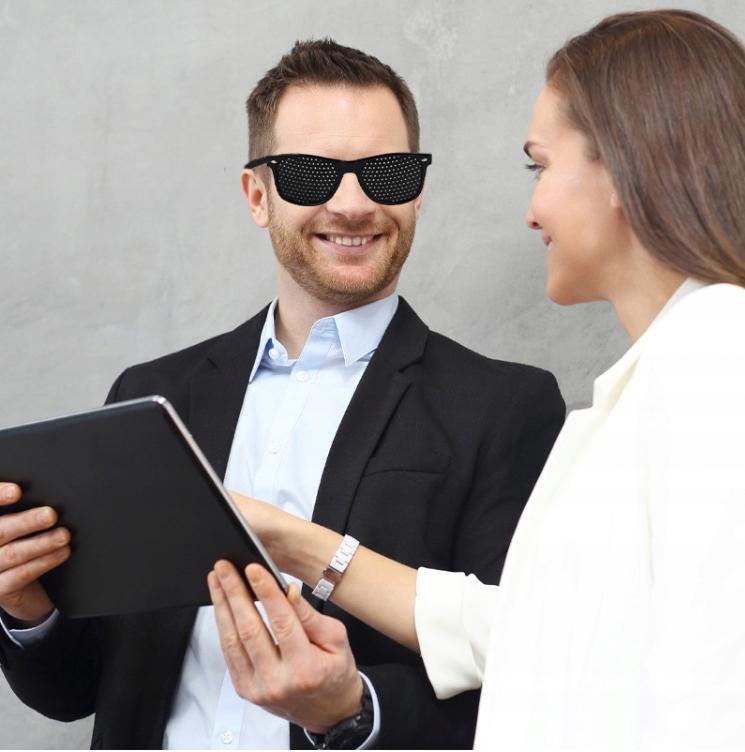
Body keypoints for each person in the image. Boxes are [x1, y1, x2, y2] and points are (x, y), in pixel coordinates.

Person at [199, 10, 745, 750]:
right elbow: (525, 627)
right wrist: (294, 542)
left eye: (539, 166)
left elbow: (713, 691)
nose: (530, 211)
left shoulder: (713, 357)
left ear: (622, 169)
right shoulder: (668, 375)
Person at [0, 40, 565, 749]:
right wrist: (27, 606)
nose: (353, 204)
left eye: (387, 173)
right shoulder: (151, 396)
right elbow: (78, 690)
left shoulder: (504, 409)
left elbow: (526, 675)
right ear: (257, 196)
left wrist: (353, 711)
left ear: (417, 190)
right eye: (310, 173)